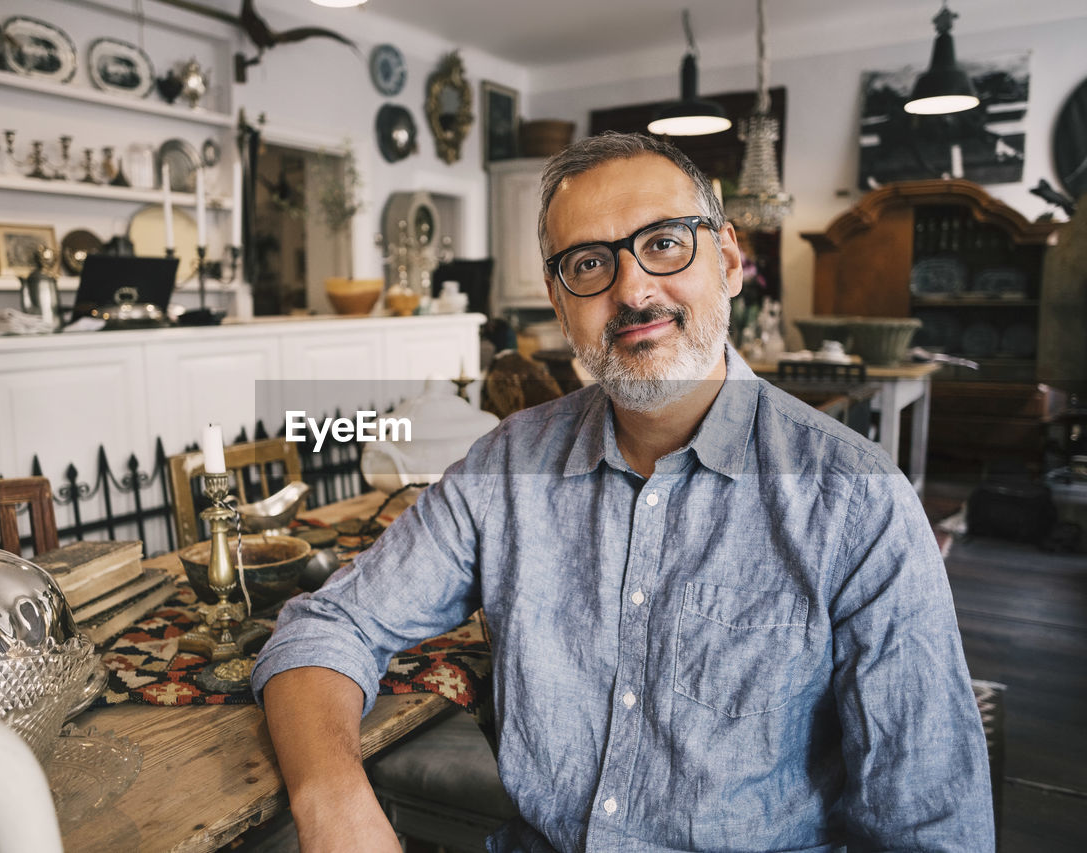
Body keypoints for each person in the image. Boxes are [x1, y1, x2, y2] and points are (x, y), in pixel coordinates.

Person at [251, 132, 993, 852]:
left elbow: (932, 827)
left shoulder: (856, 501)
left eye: (665, 243)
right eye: (589, 263)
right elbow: (327, 624)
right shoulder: (508, 467)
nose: (632, 288)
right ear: (557, 297)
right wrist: (335, 803)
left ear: (728, 259)